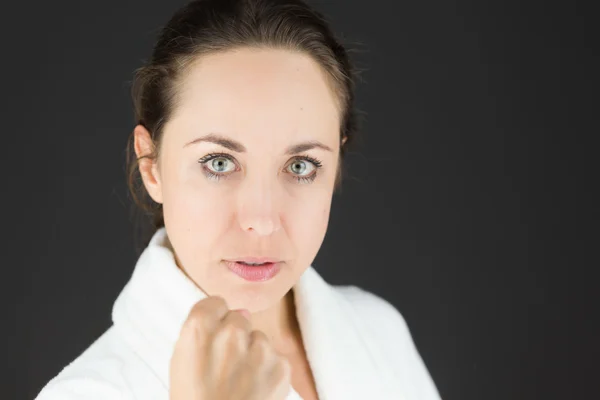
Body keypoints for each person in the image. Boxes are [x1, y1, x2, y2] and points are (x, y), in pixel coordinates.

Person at [35, 0, 442, 399]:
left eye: (301, 166)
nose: (262, 221)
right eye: (218, 163)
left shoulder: (379, 333)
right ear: (150, 164)